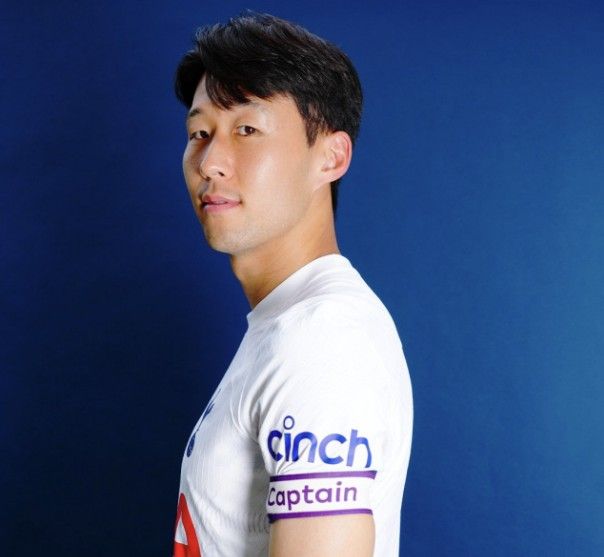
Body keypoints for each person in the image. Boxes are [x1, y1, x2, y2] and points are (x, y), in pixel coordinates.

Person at [172, 12, 413, 557]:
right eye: (199, 133)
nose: (210, 162)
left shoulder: (322, 340)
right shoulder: (289, 324)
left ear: (331, 157)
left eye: (247, 130)